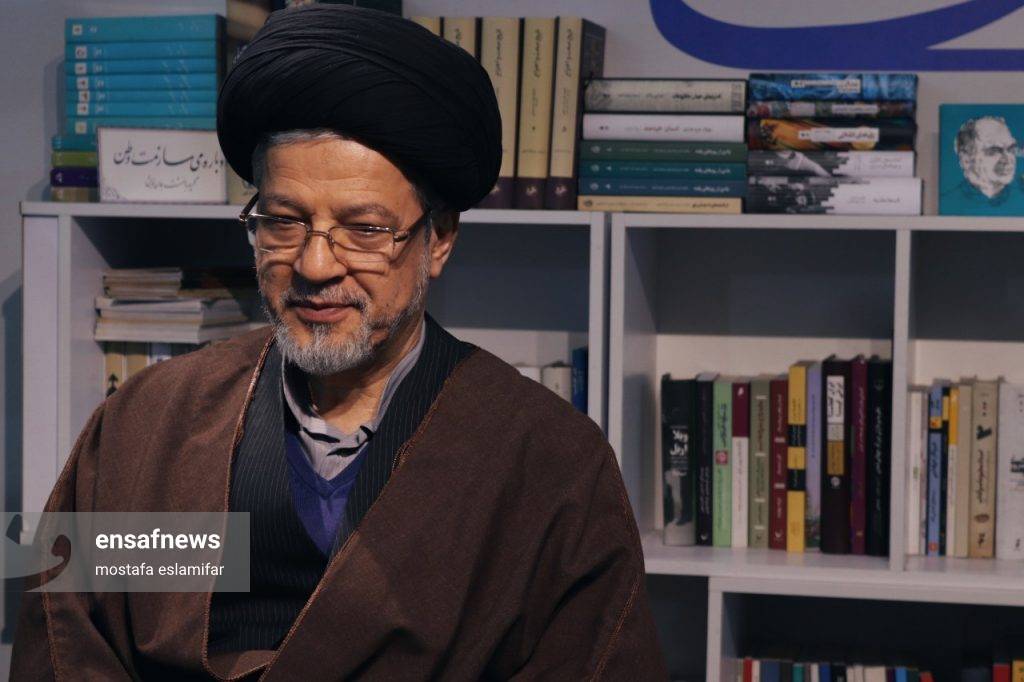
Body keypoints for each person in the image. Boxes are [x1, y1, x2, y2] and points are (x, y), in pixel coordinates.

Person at [10, 5, 667, 680]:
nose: (315, 265)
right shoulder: (153, 423)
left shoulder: (546, 462)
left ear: (439, 239)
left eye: (364, 229)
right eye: (283, 221)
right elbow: (65, 634)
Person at [949, 115, 1019, 205]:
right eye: (994, 151)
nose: (1007, 159)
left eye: (1011, 149)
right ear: (966, 160)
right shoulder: (949, 202)